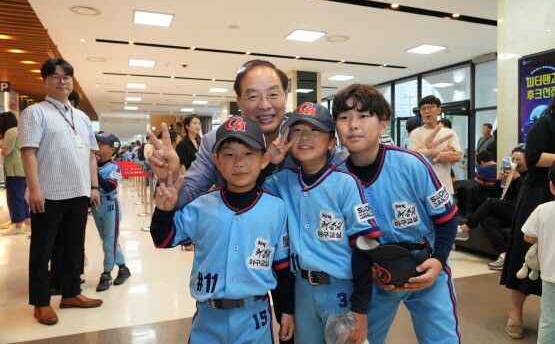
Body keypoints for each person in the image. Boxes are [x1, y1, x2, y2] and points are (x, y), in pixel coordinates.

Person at [147, 59, 346, 344]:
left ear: (285, 97)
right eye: (253, 96)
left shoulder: (304, 132)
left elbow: (341, 171)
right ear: (239, 101)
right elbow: (187, 194)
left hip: (309, 268)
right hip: (243, 271)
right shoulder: (216, 140)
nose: (264, 104)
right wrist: (170, 177)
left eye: (273, 94)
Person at [332, 84, 460, 343]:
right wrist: (368, 275)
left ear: (382, 125)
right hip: (374, 277)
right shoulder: (336, 177)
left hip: (426, 267)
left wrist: (438, 261)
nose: (353, 125)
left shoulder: (411, 164)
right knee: (361, 340)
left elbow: (446, 218)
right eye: (344, 118)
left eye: (363, 116)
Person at [150, 117, 294, 343]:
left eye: (248, 153)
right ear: (216, 161)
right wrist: (163, 212)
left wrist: (288, 310)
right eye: (228, 155)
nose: (238, 162)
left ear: (265, 159)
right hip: (208, 317)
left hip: (254, 317)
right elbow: (163, 239)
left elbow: (283, 267)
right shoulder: (201, 206)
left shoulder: (276, 207)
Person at [263, 102, 381, 344]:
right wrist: (271, 162)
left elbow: (364, 245)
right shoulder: (281, 180)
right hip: (302, 290)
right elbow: (253, 198)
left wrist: (360, 306)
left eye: (315, 130)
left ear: (331, 142)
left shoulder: (345, 183)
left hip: (340, 290)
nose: (304, 137)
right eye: (296, 130)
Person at [19, 58, 103, 325]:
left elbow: (91, 155)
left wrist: (93, 186)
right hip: (49, 193)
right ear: (45, 81)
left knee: (73, 249)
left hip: (79, 192)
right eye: (55, 76)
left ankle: (70, 294)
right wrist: (34, 189)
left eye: (67, 76)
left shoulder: (81, 116)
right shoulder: (35, 113)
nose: (62, 81)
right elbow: (29, 153)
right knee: (42, 251)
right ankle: (41, 303)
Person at [501, 98, 555, 339]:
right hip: (540, 193)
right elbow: (533, 158)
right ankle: (515, 313)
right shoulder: (545, 123)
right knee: (527, 253)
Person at [456, 146, 528, 271]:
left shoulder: (530, 177)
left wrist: (517, 179)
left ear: (527, 161)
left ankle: (464, 229)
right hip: (509, 209)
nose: (515, 162)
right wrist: (500, 182)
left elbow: (524, 196)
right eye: (513, 159)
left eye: (519, 160)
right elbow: (495, 193)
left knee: (491, 203)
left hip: (521, 211)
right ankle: (504, 255)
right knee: (487, 220)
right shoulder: (509, 172)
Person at [521, 160, 555, 344]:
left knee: (549, 320)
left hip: (551, 276)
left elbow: (528, 237)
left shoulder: (543, 209)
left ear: (551, 185)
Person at [92, 132, 131, 292]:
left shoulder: (114, 167)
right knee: (108, 240)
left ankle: (106, 273)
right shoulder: (92, 162)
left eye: (101, 144)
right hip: (96, 206)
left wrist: (92, 169)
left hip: (110, 207)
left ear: (111, 150)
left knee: (109, 240)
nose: (97, 146)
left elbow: (109, 187)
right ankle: (123, 268)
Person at [409, 95, 462, 195]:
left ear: (439, 109)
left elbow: (457, 156)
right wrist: (443, 153)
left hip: (445, 186)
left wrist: (434, 154)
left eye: (430, 107)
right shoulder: (415, 133)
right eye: (423, 109)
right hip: (423, 188)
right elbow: (415, 158)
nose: (426, 111)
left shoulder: (449, 132)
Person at [0, 112, 31, 235]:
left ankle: (17, 225)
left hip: (13, 169)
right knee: (21, 197)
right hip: (22, 168)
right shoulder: (19, 130)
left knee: (14, 198)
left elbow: (7, 151)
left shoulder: (10, 132)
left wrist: (2, 146)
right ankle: (26, 221)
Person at [175, 114, 202, 251]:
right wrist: (187, 183)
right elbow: (182, 164)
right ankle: (186, 241)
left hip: (202, 180)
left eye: (199, 123)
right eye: (195, 123)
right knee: (188, 210)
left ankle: (197, 238)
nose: (198, 126)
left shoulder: (200, 140)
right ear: (187, 126)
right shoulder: (183, 144)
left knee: (199, 210)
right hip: (190, 181)